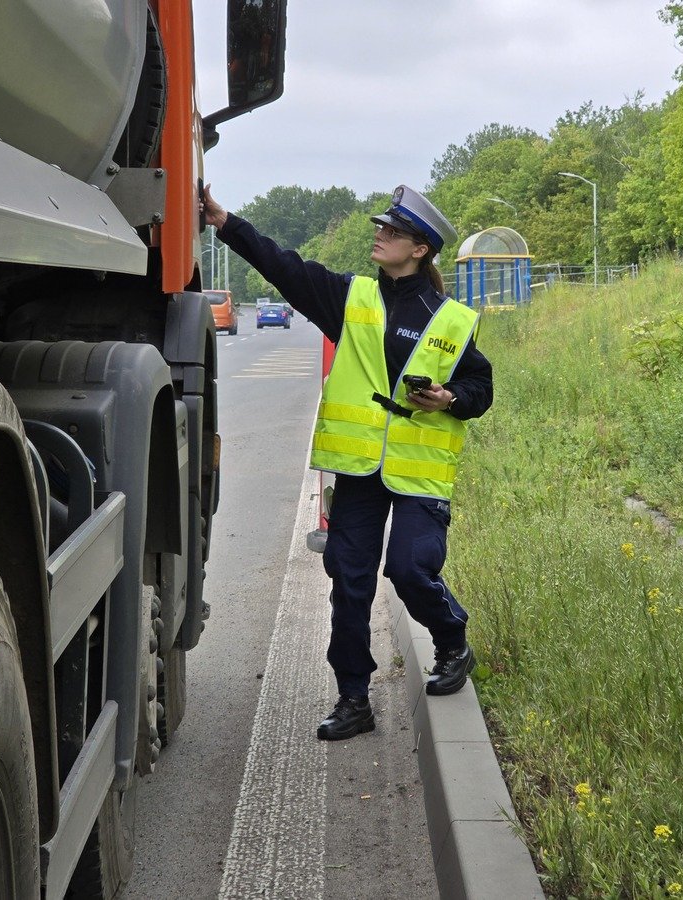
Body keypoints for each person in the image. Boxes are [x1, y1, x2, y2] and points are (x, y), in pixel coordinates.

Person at [202, 184, 494, 741]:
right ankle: (354, 699)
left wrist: (450, 398)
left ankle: (451, 638)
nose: (379, 236)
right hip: (360, 470)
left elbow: (481, 385)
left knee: (409, 569)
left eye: (393, 231)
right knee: (350, 580)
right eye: (381, 228)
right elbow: (284, 267)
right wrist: (226, 223)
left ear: (420, 250)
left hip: (418, 470)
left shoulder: (453, 319)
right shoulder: (351, 297)